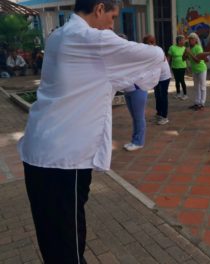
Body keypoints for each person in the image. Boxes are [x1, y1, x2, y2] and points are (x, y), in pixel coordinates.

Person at [18, 0, 164, 262]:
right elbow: (154, 55)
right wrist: (110, 39)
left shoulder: (58, 36)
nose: (113, 24)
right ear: (99, 9)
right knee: (68, 247)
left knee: (53, 241)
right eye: (112, 16)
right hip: (63, 159)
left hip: (41, 152)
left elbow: (119, 77)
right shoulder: (88, 38)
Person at [144, 35, 172, 125]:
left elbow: (161, 59)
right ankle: (159, 114)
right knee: (157, 95)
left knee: (163, 96)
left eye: (152, 42)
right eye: (150, 42)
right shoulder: (152, 50)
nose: (151, 44)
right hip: (157, 77)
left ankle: (164, 116)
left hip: (164, 76)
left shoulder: (157, 49)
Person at [185, 32, 208, 110]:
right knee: (196, 87)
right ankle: (197, 102)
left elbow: (197, 60)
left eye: (192, 39)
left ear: (195, 40)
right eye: (189, 39)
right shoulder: (189, 48)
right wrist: (185, 52)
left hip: (201, 69)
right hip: (195, 70)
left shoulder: (198, 47)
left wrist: (190, 53)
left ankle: (202, 103)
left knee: (202, 86)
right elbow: (183, 58)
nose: (190, 40)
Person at [168, 35, 188, 100]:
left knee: (182, 80)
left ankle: (185, 94)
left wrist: (187, 66)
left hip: (182, 66)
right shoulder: (172, 47)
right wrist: (167, 65)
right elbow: (169, 57)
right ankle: (178, 93)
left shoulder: (184, 48)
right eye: (183, 40)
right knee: (177, 81)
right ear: (179, 41)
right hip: (174, 67)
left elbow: (185, 58)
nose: (184, 42)